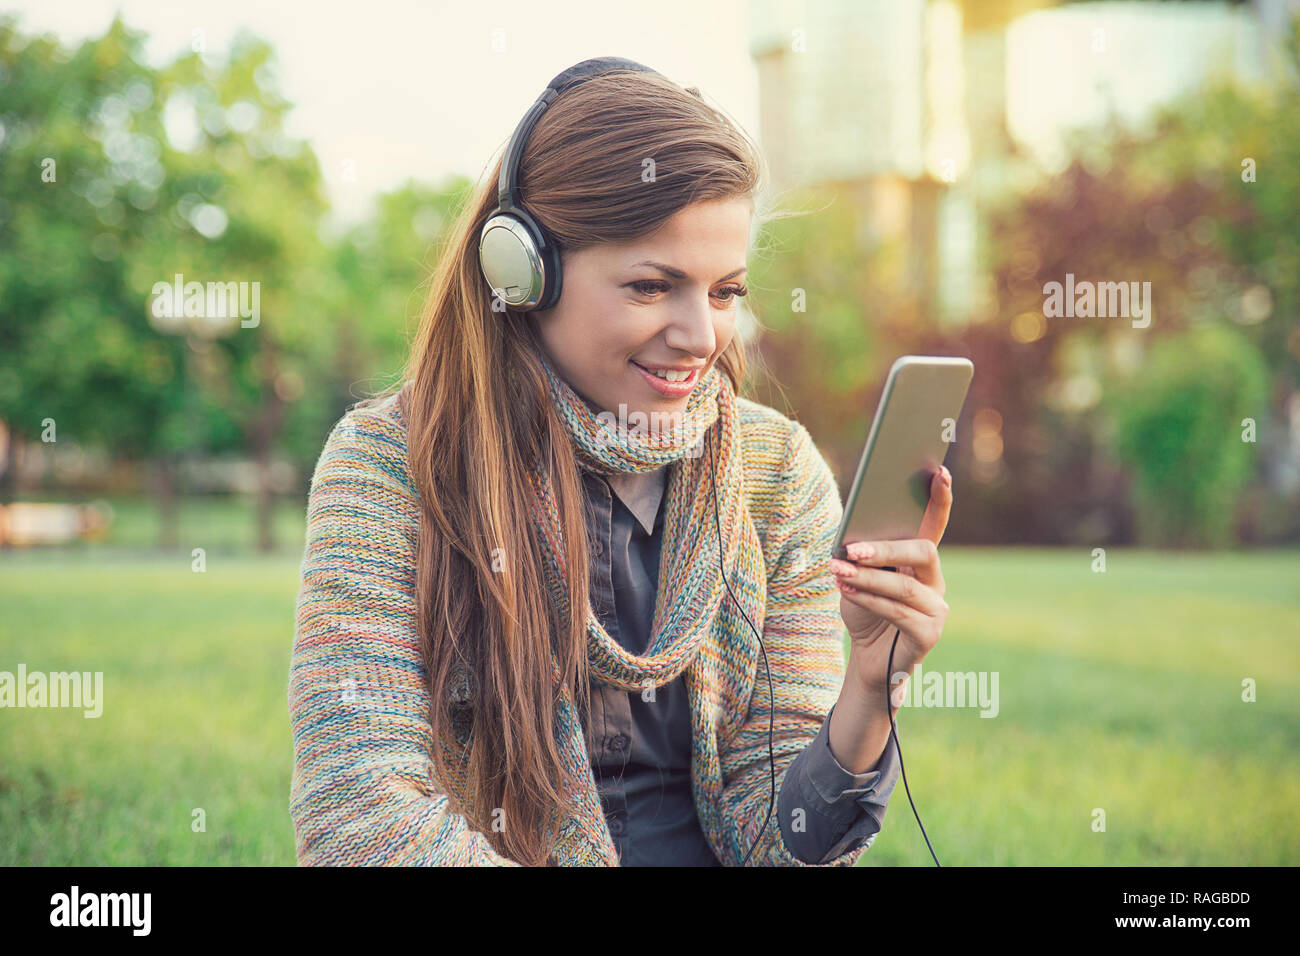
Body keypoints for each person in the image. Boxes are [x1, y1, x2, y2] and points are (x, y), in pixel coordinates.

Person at [288, 57, 953, 867]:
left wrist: (869, 694)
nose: (703, 336)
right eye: (651, 286)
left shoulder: (777, 477)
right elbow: (361, 820)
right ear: (523, 272)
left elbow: (781, 847)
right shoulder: (392, 465)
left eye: (724, 292)